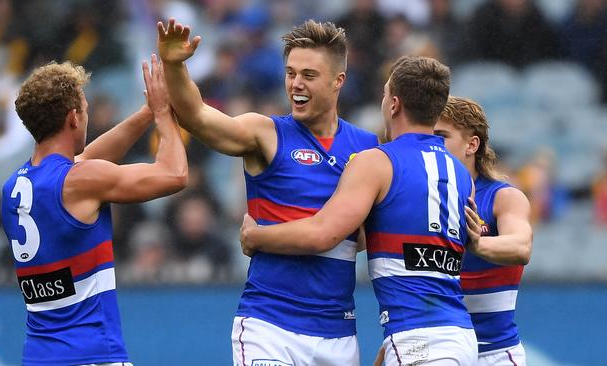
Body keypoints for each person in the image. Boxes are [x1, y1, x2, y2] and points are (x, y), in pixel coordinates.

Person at [157, 18, 378, 365]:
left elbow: (371, 232)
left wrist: (274, 237)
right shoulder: (265, 133)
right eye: (290, 73)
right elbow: (196, 117)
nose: (296, 85)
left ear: (339, 81)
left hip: (338, 335)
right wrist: (174, 66)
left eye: (309, 75)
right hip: (269, 328)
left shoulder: (367, 150)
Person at [241, 55, 479, 365]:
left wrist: (256, 237)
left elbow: (323, 234)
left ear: (393, 104)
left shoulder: (377, 162)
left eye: (384, 94)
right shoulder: (461, 175)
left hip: (418, 339)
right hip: (456, 333)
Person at [0, 56, 188, 365]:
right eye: (85, 110)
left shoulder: (13, 187)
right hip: (94, 353)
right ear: (73, 118)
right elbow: (174, 174)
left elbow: (85, 161)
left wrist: (146, 113)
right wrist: (164, 115)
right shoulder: (81, 181)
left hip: (37, 356)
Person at [434, 96, 532, 365]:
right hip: (436, 349)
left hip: (493, 353)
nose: (432, 144)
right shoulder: (422, 196)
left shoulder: (504, 197)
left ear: (472, 144)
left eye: (441, 136)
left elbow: (521, 247)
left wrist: (478, 244)